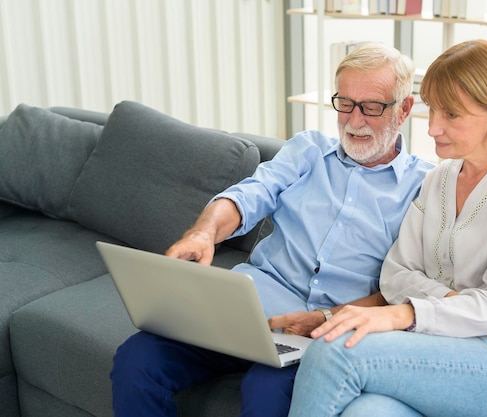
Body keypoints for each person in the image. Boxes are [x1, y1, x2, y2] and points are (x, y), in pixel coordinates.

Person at [109, 42, 436, 417]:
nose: (354, 120)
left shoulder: (424, 188)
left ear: (405, 109)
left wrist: (327, 318)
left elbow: (404, 290)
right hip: (245, 311)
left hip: (320, 334)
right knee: (138, 359)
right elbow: (249, 195)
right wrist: (203, 232)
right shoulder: (308, 150)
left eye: (371, 107)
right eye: (344, 103)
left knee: (267, 394)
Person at [287, 39, 487, 417]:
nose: (433, 128)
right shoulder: (439, 178)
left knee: (335, 350)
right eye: (433, 111)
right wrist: (462, 306)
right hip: (446, 341)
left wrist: (404, 313)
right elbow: (395, 275)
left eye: (452, 115)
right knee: (367, 412)